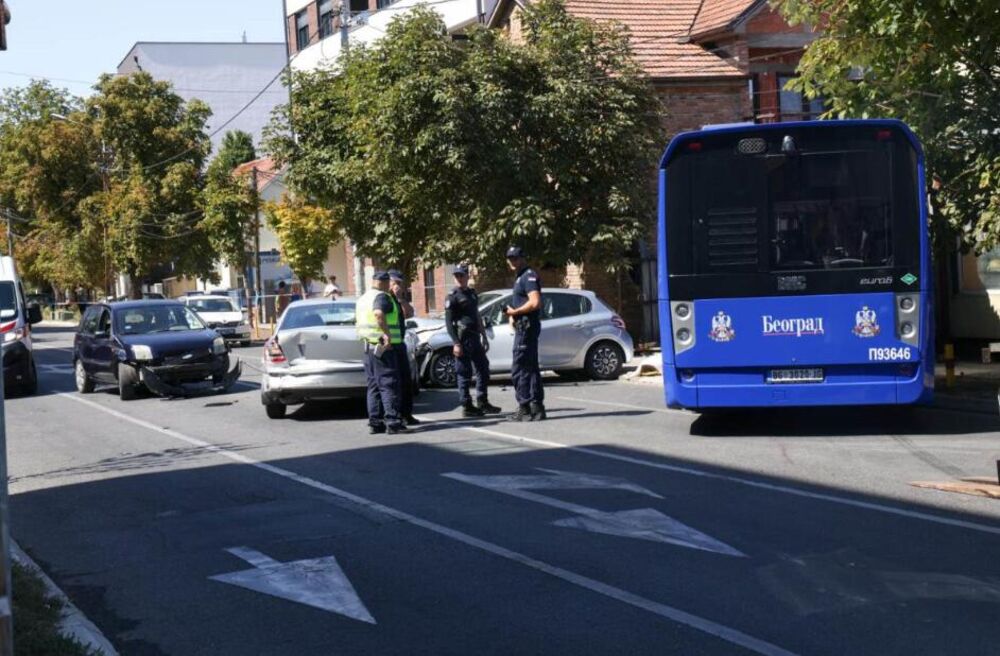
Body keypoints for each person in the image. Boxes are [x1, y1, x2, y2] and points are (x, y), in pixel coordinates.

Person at [355, 271, 409, 435]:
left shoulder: (363, 298)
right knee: (388, 383)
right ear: (386, 283)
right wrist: (386, 334)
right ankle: (392, 421)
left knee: (373, 386)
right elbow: (378, 314)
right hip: (383, 347)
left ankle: (375, 422)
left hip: (368, 347)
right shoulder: (382, 297)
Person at [445, 264, 501, 417]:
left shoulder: (471, 293)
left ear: (467, 276)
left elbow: (476, 315)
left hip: (474, 336)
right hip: (462, 339)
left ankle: (482, 401)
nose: (459, 278)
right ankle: (467, 405)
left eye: (461, 275)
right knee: (464, 372)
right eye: (456, 275)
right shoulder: (452, 296)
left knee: (483, 367)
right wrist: (456, 343)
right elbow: (449, 323)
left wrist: (483, 335)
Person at [503, 246, 545, 421]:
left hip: (526, 328)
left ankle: (524, 407)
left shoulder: (528, 276)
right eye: (510, 258)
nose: (513, 261)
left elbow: (535, 302)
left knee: (519, 368)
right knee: (531, 368)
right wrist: (514, 314)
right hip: (524, 326)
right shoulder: (520, 276)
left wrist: (515, 312)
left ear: (523, 257)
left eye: (516, 257)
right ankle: (537, 408)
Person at [388, 269, 420, 426]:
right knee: (393, 383)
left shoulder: (398, 299)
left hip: (400, 343)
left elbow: (409, 313)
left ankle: (406, 414)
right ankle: (395, 416)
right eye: (395, 283)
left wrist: (400, 298)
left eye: (400, 283)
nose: (397, 286)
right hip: (388, 346)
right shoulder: (384, 298)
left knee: (406, 381)